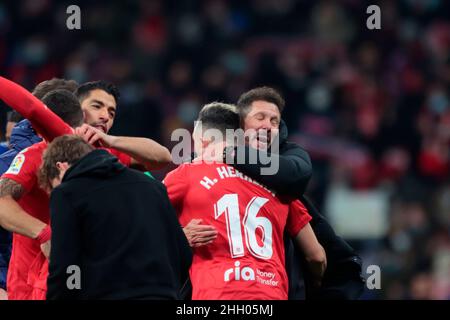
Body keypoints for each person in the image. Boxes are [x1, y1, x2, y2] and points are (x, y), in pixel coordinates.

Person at [164, 102, 326, 299]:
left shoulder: (187, 174)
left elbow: (141, 226)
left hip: (218, 295)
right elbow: (316, 256)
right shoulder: (278, 185)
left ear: (204, 141)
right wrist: (316, 284)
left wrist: (178, 238)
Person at [224, 87, 365, 299]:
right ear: (241, 124)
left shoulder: (290, 153)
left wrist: (231, 152)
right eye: (260, 117)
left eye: (274, 121)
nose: (267, 125)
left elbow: (294, 176)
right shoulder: (210, 159)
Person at [38, 135, 191, 300]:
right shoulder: (153, 187)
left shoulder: (67, 193)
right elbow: (183, 253)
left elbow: (67, 267)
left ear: (61, 168)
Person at [0, 79, 79, 300]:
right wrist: (45, 234)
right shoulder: (28, 157)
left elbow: (157, 159)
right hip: (26, 284)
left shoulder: (102, 153)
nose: (104, 116)